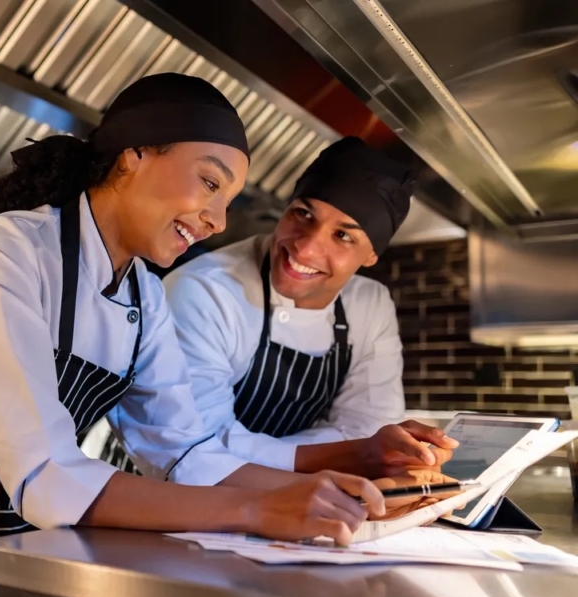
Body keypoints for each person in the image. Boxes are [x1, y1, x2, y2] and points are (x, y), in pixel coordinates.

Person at [0, 76, 399, 597]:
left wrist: (328, 488)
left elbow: (187, 452)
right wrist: (261, 510)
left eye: (227, 201)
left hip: (19, 542)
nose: (217, 220)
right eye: (209, 183)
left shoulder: (142, 297)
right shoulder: (6, 251)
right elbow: (47, 472)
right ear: (134, 155)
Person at [162, 137, 458, 480]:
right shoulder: (207, 290)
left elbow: (369, 427)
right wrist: (351, 454)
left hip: (284, 498)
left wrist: (357, 452)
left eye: (344, 236)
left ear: (371, 255)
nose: (305, 249)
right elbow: (199, 446)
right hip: (157, 498)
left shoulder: (369, 306)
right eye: (303, 214)